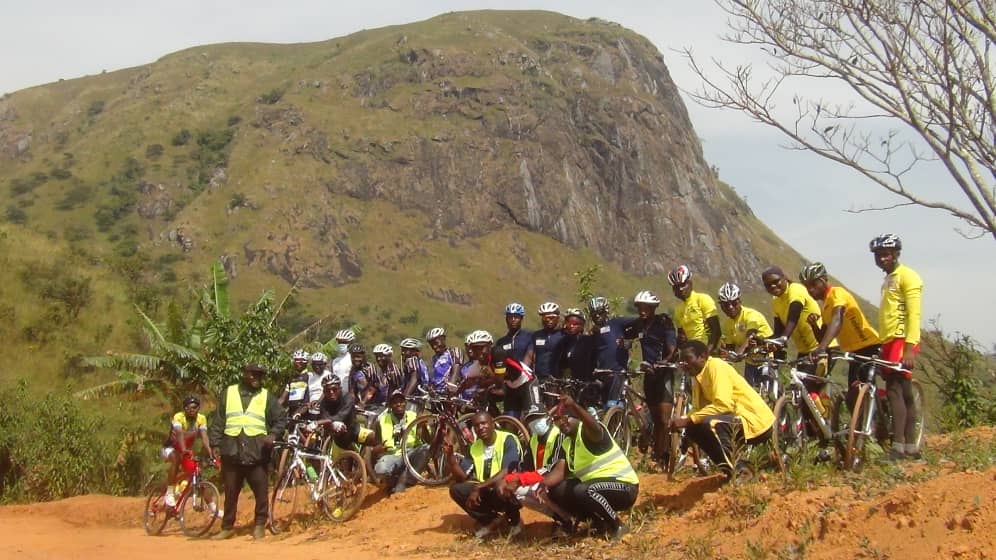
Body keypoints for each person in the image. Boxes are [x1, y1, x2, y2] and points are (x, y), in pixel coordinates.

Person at [670, 341, 774, 480]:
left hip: (754, 421)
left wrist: (688, 419)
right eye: (682, 362)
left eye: (688, 359)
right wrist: (685, 421)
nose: (684, 365)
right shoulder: (697, 377)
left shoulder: (716, 367)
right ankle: (734, 470)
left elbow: (723, 405)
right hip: (735, 421)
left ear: (703, 356)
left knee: (708, 423)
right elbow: (697, 409)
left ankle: (742, 471)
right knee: (693, 428)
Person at [209, 364, 286, 540]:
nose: (258, 378)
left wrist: (273, 434)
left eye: (260, 375)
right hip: (232, 450)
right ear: (245, 375)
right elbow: (218, 420)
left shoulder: (267, 397)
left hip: (256, 452)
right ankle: (227, 527)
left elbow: (281, 418)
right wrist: (215, 444)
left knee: (260, 491)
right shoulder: (229, 393)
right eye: (254, 375)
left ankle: (259, 524)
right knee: (230, 492)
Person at [545, 395, 639, 540]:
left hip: (624, 487)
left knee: (585, 490)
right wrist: (538, 484)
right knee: (556, 490)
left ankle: (617, 525)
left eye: (566, 417)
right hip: (596, 489)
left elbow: (592, 424)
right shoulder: (567, 443)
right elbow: (558, 472)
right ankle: (598, 524)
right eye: (557, 420)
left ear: (577, 417)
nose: (562, 423)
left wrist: (575, 406)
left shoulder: (590, 432)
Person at [870, 233, 924, 460]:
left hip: (902, 341)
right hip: (890, 341)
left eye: (886, 254)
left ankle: (898, 447)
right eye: (879, 255)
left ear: (896, 254)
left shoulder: (907, 276)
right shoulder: (890, 278)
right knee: (904, 392)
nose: (882, 258)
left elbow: (914, 313)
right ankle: (911, 447)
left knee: (894, 391)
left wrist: (909, 348)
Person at [798, 262, 880, 411]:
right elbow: (822, 337)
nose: (810, 289)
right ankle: (860, 431)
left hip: (870, 346)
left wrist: (821, 348)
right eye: (806, 286)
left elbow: (837, 318)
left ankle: (884, 411)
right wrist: (814, 326)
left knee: (866, 390)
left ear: (824, 280)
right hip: (854, 353)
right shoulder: (825, 307)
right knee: (852, 399)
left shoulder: (837, 293)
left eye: (813, 284)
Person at [445, 412, 523, 539]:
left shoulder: (508, 439)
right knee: (456, 489)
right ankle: (492, 520)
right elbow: (463, 478)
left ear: (492, 424)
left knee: (501, 485)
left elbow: (506, 470)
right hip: (487, 489)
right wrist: (450, 459)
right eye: (476, 426)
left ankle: (515, 521)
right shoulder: (475, 447)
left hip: (510, 487)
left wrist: (479, 487)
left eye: (484, 423)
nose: (480, 427)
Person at [628, 290, 679, 466]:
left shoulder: (664, 323)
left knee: (664, 419)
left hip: (664, 372)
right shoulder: (639, 325)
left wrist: (663, 362)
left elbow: (673, 348)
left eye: (646, 307)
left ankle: (663, 455)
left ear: (653, 308)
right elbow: (625, 335)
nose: (642, 310)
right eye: (639, 307)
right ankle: (657, 454)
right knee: (655, 417)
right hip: (648, 374)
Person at [761, 265, 826, 392]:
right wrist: (762, 343)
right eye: (768, 285)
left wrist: (784, 338)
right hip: (804, 352)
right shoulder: (776, 302)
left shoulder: (795, 289)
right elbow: (778, 332)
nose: (773, 286)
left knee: (807, 392)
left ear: (784, 278)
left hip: (822, 347)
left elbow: (794, 314)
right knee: (799, 394)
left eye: (775, 281)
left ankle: (826, 410)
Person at [162, 395, 216, 509]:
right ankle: (170, 493)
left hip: (185, 451)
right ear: (184, 409)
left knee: (198, 474)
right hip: (170, 449)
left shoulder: (201, 419)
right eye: (188, 408)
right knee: (176, 459)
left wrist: (211, 455)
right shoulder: (179, 417)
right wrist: (184, 450)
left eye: (195, 407)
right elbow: (180, 434)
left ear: (198, 408)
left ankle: (213, 509)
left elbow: (205, 438)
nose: (191, 410)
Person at [716, 282, 774, 387]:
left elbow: (750, 336)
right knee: (751, 396)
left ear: (740, 301)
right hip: (750, 362)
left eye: (734, 303)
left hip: (766, 358)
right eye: (726, 304)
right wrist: (723, 355)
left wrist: (739, 354)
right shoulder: (727, 325)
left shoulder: (751, 315)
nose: (730, 307)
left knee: (767, 396)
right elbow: (730, 349)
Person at [370, 390, 426, 494]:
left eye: (401, 401)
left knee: (426, 448)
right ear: (390, 405)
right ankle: (392, 481)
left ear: (406, 403)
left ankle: (406, 480)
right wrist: (375, 450)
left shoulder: (413, 416)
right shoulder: (381, 420)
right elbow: (375, 444)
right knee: (381, 469)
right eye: (395, 402)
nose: (398, 404)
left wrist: (424, 427)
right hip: (392, 455)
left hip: (410, 453)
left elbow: (427, 439)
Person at [586, 296, 634, 407]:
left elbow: (639, 320)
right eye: (594, 314)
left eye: (599, 313)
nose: (597, 316)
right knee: (598, 406)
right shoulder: (594, 333)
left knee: (613, 405)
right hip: (601, 374)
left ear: (606, 311)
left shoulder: (616, 323)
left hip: (617, 373)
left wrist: (628, 341)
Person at [667, 265, 721, 353]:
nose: (680, 289)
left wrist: (706, 353)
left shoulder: (703, 299)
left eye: (683, 284)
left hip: (709, 352)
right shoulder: (678, 309)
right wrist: (671, 357)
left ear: (690, 283)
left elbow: (716, 331)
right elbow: (681, 338)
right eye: (676, 287)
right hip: (693, 354)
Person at [314, 376, 362, 452]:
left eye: (334, 389)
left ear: (340, 388)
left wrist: (318, 423)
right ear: (324, 392)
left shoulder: (348, 398)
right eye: (327, 390)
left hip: (353, 430)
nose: (331, 392)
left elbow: (339, 417)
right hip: (336, 434)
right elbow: (324, 419)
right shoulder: (324, 402)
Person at [558, 308, 597, 383]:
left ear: (582, 325)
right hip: (573, 384)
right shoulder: (566, 343)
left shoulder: (590, 341)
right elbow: (563, 365)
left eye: (576, 323)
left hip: (589, 384)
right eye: (569, 323)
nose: (572, 326)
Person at [532, 302, 566, 380]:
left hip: (558, 379)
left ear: (557, 318)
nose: (548, 320)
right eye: (545, 318)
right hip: (539, 378)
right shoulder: (536, 335)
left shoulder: (564, 335)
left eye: (552, 318)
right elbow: (530, 356)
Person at [496, 302, 535, 367]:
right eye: (510, 317)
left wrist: (522, 373)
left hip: (526, 374)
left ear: (521, 318)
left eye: (516, 317)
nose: (513, 319)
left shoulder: (530, 336)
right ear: (506, 319)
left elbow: (529, 357)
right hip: (507, 375)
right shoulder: (500, 342)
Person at [349, 344, 388, 408]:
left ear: (363, 356)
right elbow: (352, 390)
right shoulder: (353, 370)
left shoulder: (369, 368)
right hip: (365, 402)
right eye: (353, 357)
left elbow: (372, 388)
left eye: (358, 357)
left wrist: (362, 403)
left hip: (378, 402)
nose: (356, 359)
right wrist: (354, 403)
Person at [425, 327, 463, 393]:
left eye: (436, 343)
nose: (434, 346)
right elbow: (434, 377)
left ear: (443, 339)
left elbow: (456, 372)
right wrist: (430, 387)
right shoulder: (434, 358)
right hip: (437, 394)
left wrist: (450, 388)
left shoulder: (454, 352)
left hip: (451, 394)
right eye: (432, 344)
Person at [330, 329, 356, 393]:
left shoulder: (354, 360)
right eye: (339, 342)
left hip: (351, 396)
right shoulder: (334, 362)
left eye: (344, 342)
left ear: (351, 343)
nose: (341, 344)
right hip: (337, 396)